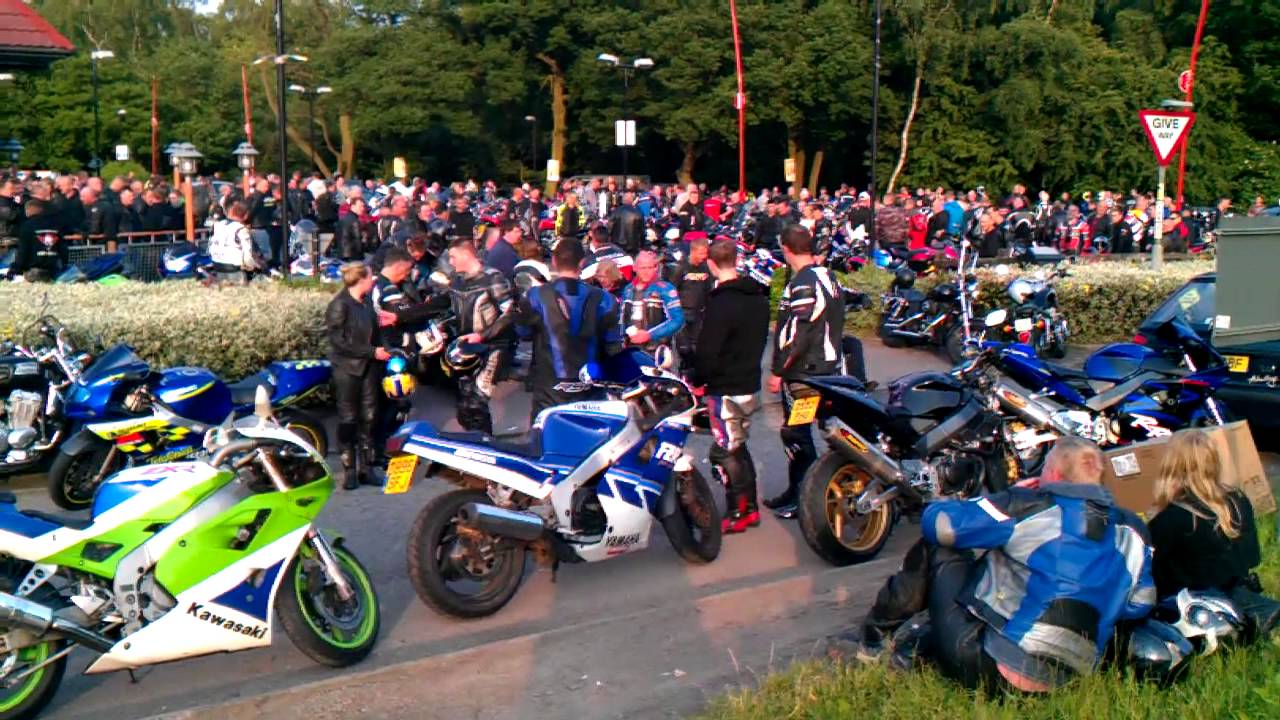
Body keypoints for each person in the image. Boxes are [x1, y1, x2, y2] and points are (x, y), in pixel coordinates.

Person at [846, 438, 1155, 693]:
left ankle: (873, 641)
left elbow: (941, 525)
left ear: (1055, 474)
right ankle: (917, 646)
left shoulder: (1028, 505)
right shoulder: (1134, 531)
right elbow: (1139, 604)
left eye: (1045, 468)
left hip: (990, 667)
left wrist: (1003, 497)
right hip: (1068, 682)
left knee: (941, 547)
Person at [688, 240, 770, 534]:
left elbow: (708, 350)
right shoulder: (758, 298)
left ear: (711, 264)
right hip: (749, 381)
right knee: (738, 446)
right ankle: (750, 507)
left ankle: (738, 510)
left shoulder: (720, 303)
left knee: (724, 451)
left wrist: (698, 379)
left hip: (725, 386)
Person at [765, 225, 844, 518]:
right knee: (809, 431)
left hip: (805, 374)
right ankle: (798, 490)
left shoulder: (804, 283)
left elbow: (800, 333)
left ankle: (803, 496)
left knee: (796, 434)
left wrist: (778, 370)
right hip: (825, 368)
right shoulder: (827, 275)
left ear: (786, 249)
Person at [515, 240, 624, 421]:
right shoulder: (605, 299)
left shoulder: (535, 296)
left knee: (546, 432)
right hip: (590, 388)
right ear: (582, 263)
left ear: (554, 262)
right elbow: (613, 346)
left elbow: (523, 332)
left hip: (549, 388)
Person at [1149, 429, 1260, 599]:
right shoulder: (1238, 501)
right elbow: (1253, 557)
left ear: (1171, 464)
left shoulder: (1170, 518)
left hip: (1191, 607)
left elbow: (1152, 576)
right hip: (1239, 598)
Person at [325, 262, 392, 490]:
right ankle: (349, 469)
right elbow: (339, 342)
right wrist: (372, 352)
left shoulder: (366, 304)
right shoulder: (339, 305)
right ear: (361, 279)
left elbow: (375, 333)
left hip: (368, 368)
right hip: (347, 369)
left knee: (370, 417)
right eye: (370, 276)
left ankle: (367, 468)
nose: (373, 280)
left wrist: (385, 348)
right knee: (348, 419)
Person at [619, 250, 684, 354]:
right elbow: (621, 319)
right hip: (631, 348)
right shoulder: (628, 289)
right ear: (635, 268)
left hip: (656, 350)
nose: (647, 271)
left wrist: (650, 334)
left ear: (656, 268)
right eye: (643, 268)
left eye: (650, 267)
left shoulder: (665, 289)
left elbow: (677, 320)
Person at [669, 237, 713, 371]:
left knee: (697, 348)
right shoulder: (680, 268)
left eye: (706, 253)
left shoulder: (706, 269)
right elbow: (671, 291)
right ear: (693, 251)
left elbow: (708, 290)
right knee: (684, 349)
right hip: (682, 314)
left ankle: (692, 375)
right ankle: (683, 372)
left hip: (699, 314)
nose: (704, 256)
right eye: (701, 253)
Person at [11, 199, 66, 281]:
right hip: (54, 270)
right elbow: (63, 249)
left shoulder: (27, 226)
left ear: (27, 212)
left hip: (33, 271)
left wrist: (16, 269)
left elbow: (23, 251)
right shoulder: (56, 226)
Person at [208, 201, 262, 283]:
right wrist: (254, 267)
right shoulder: (241, 229)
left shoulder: (218, 225)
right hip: (234, 268)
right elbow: (247, 256)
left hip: (217, 265)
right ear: (246, 215)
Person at [608, 190, 645, 255]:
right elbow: (642, 232)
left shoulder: (615, 211)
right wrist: (642, 245)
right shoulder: (638, 212)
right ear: (632, 200)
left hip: (617, 245)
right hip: (632, 247)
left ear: (623, 200)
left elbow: (609, 228)